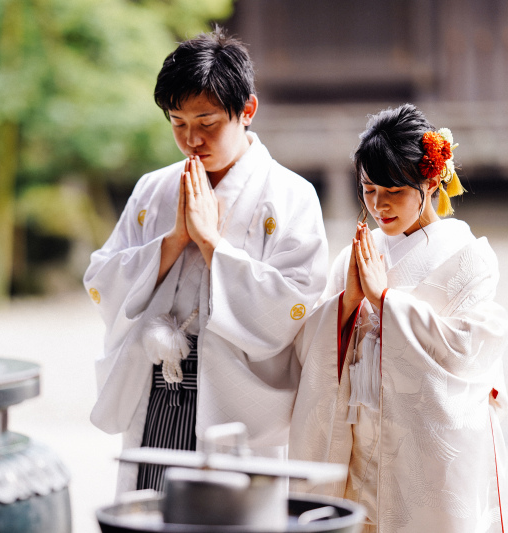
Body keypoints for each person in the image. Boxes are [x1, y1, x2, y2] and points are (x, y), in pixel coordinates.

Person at [84, 28, 328, 495]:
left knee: (229, 515)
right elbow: (101, 280)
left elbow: (297, 303)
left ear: (247, 110)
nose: (191, 139)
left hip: (236, 400)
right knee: (150, 508)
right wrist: (174, 241)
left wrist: (213, 243)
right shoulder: (153, 190)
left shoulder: (291, 196)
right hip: (157, 388)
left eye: (207, 122)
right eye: (177, 123)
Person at [289, 103, 508, 532]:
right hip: (357, 440)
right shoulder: (357, 255)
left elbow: (467, 349)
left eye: (394, 190)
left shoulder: (470, 259)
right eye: (369, 190)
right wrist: (347, 304)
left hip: (419, 449)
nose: (378, 205)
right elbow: (307, 347)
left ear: (429, 183)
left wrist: (385, 300)